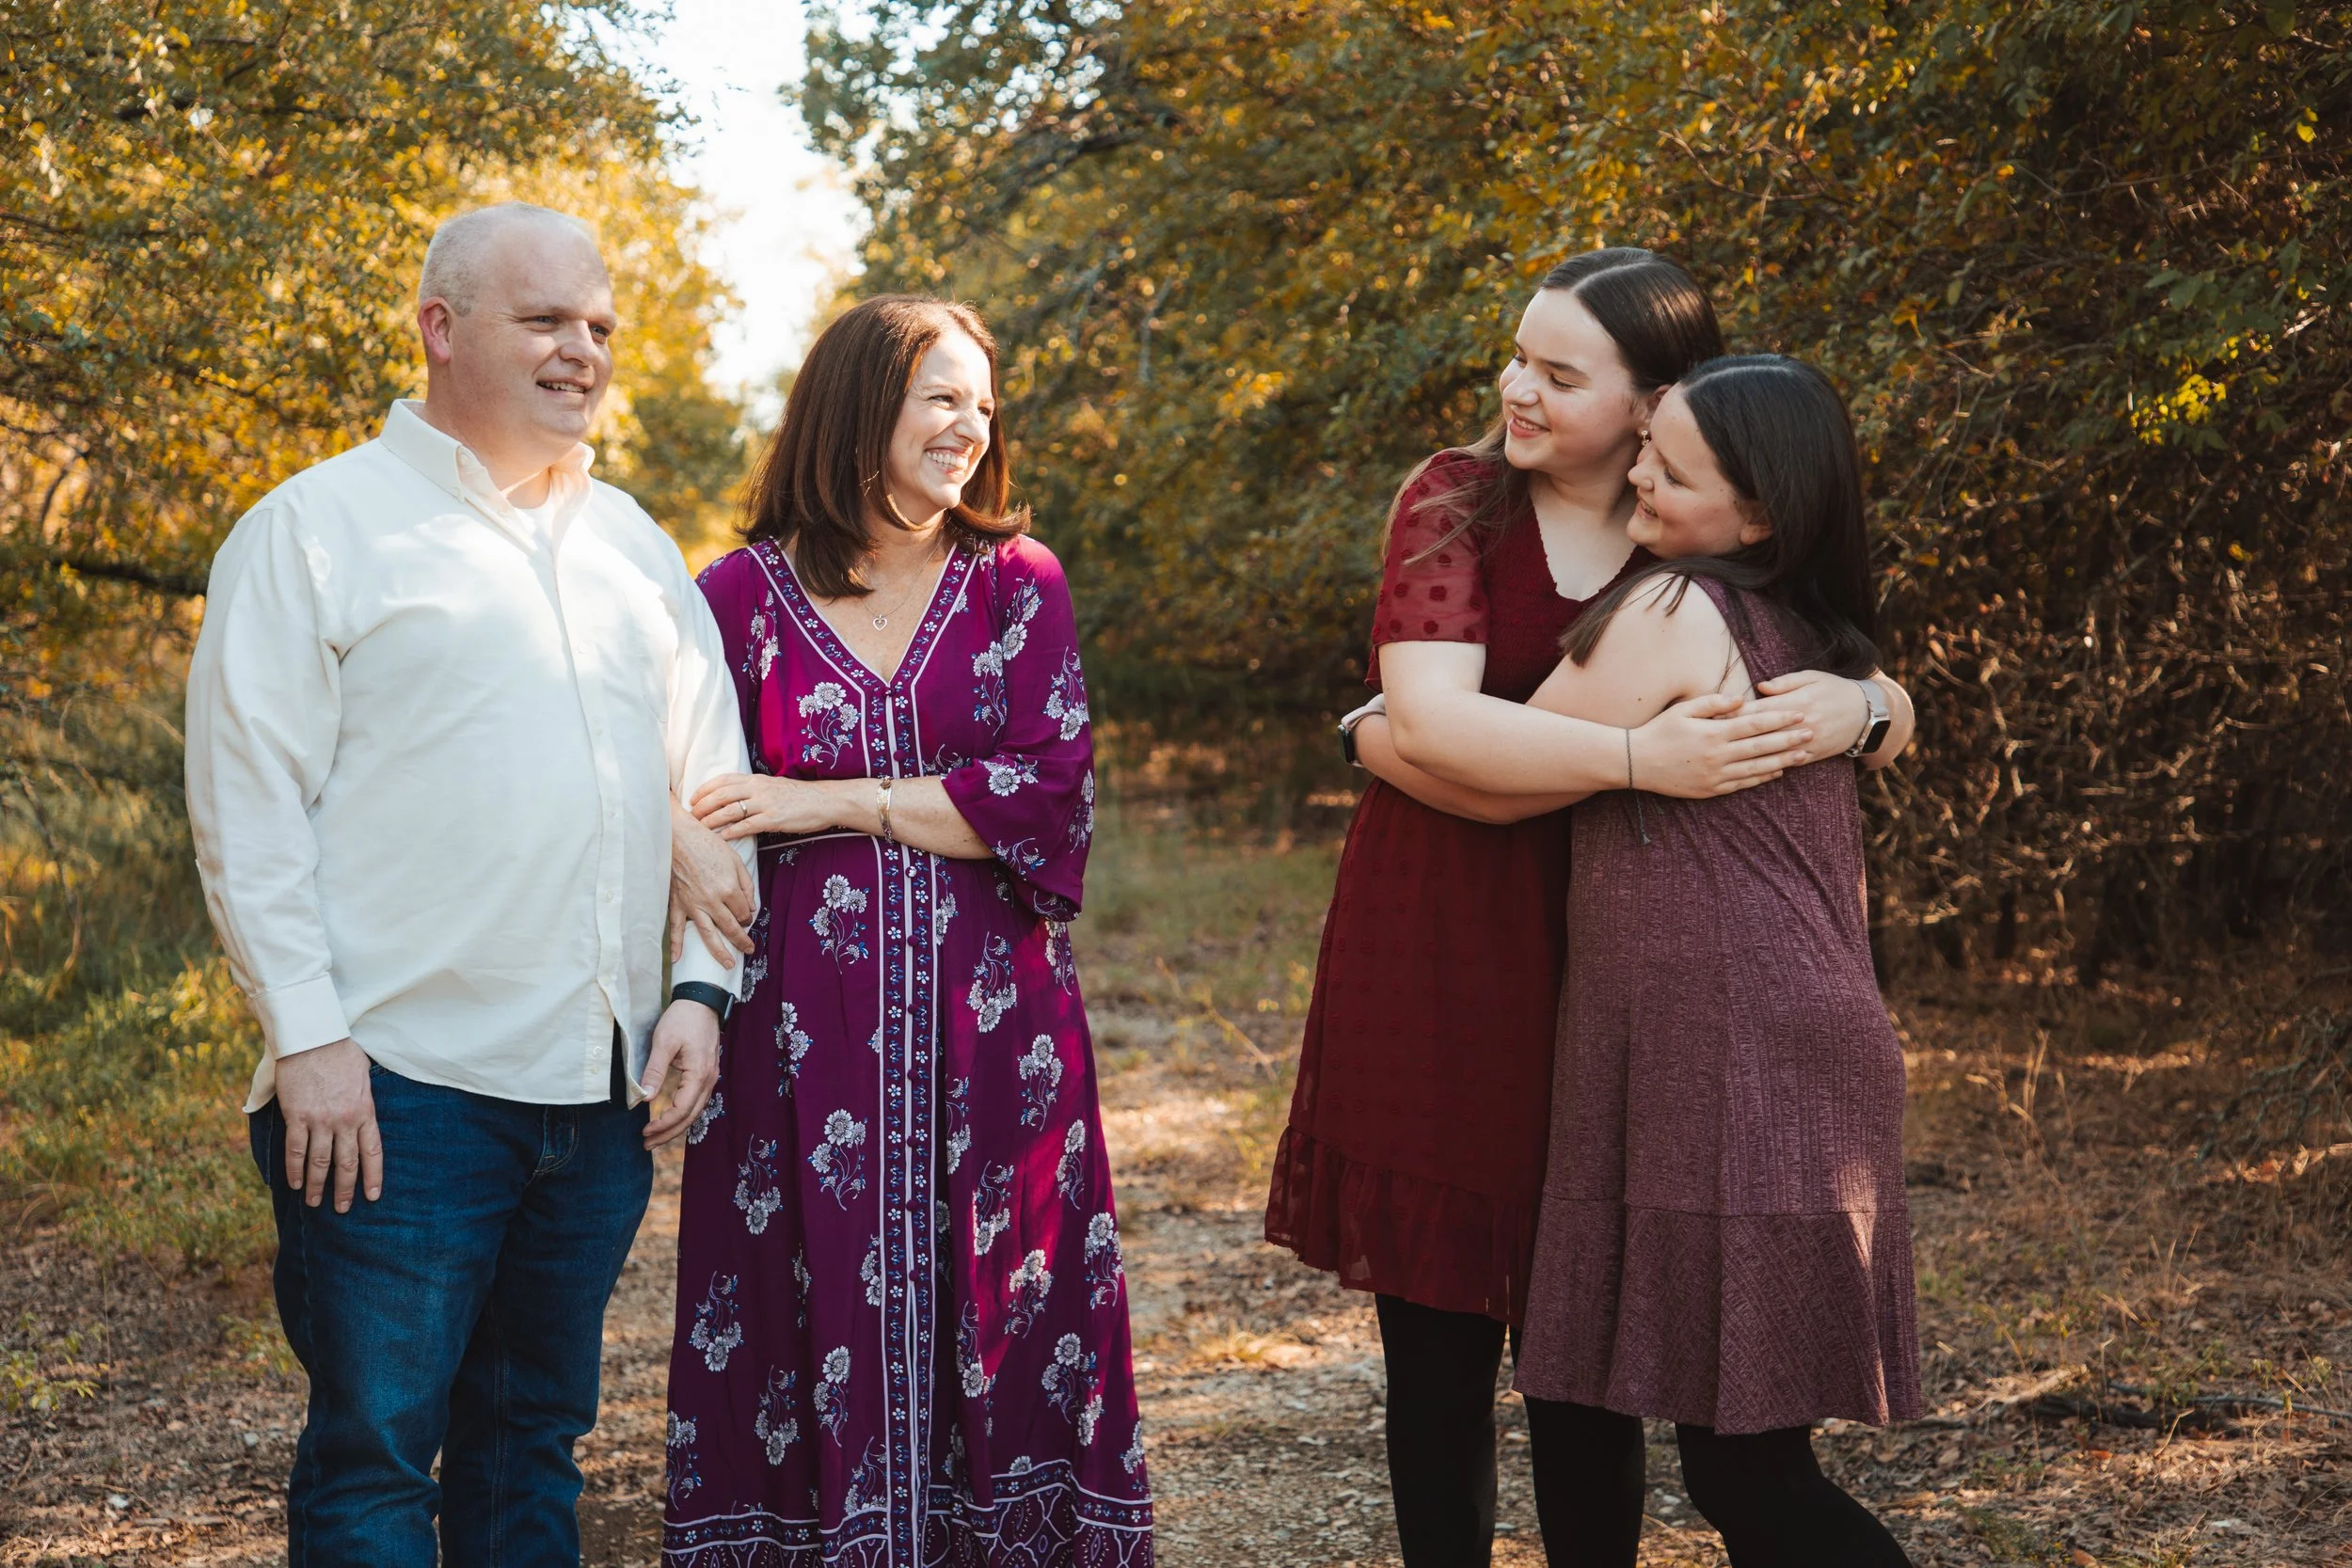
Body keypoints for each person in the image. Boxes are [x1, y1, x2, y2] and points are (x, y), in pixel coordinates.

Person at [1263, 248, 1915, 1566]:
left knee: (1588, 1351)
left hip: (1628, 975)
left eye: (1561, 373)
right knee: (1440, 1346)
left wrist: (1871, 709)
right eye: (1518, 355)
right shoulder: (1461, 500)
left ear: (1656, 400)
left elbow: (1846, 660)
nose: (1518, 389)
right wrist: (1628, 758)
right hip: (1447, 939)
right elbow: (1443, 727)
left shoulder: (1688, 518)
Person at [184, 201, 754, 1565]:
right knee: (376, 1461)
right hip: (393, 1095)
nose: (584, 351)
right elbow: (246, 807)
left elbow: (708, 786)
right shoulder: (315, 530)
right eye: (547, 320)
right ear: (440, 330)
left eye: (600, 327)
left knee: (530, 1451)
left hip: (596, 1090)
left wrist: (697, 988)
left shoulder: (632, 547)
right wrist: (307, 1038)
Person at [659, 295, 1152, 1567]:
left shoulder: (1014, 583)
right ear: (857, 406)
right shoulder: (735, 598)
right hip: (795, 1052)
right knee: (789, 1314)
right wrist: (691, 977)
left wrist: (827, 800)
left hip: (997, 1037)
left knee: (1006, 1310)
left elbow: (1047, 792)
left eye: (984, 404)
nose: (971, 428)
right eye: (943, 397)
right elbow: (682, 796)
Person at [1491, 355, 1922, 1564]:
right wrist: (1879, 704)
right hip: (1736, 1045)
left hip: (1739, 1058)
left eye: (1669, 471)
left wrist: (1381, 724)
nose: (1635, 475)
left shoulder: (1676, 609)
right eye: (1644, 447)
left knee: (1745, 1468)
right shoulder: (1807, 619)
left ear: (1762, 512)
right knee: (1618, 1403)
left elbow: (1488, 768)